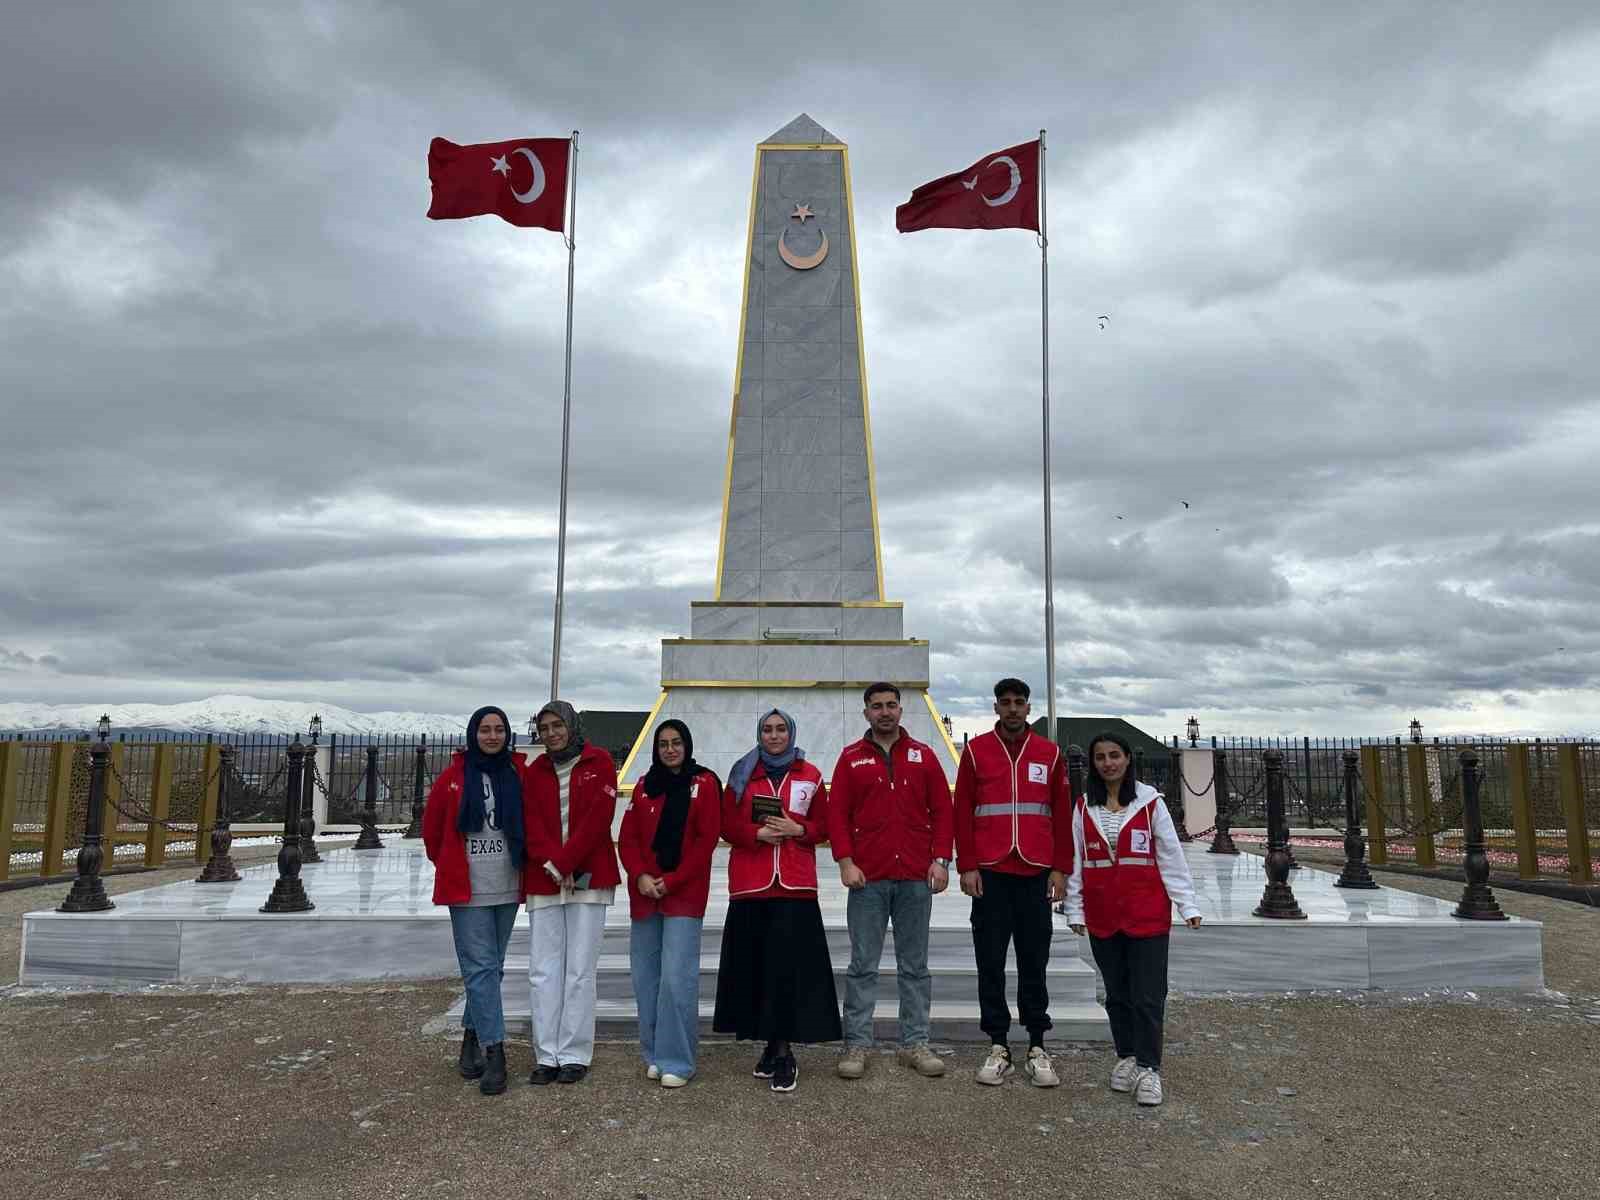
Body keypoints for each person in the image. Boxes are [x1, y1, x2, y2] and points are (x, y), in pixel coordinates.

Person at [1065, 731, 1202, 1108]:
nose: (1108, 763)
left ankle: (1149, 1067)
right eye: (1100, 757)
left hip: (1147, 914)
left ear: (1127, 759)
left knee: (1148, 994)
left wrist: (1186, 904)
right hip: (1104, 915)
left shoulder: (1150, 804)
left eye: (1114, 755)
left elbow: (1171, 856)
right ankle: (1126, 1055)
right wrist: (1075, 909)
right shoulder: (1082, 808)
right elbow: (1076, 863)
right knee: (1117, 994)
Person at [827, 682, 953, 1080]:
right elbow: (837, 816)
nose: (885, 712)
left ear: (901, 710)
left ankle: (914, 1043)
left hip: (916, 877)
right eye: (877, 706)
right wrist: (846, 863)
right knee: (863, 966)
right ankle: (857, 1045)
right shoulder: (850, 759)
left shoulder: (925, 756)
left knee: (914, 966)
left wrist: (941, 860)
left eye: (891, 705)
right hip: (868, 879)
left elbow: (943, 811)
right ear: (866, 713)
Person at [953, 677, 1074, 1087]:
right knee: (989, 961)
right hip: (991, 871)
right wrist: (966, 865)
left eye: (1019, 702)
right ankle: (998, 1044)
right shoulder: (975, 751)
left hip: (1035, 870)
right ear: (995, 708)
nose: (1012, 709)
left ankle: (1037, 1043)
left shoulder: (1049, 752)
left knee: (1033, 960)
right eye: (1005, 703)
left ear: (1027, 707)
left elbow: (1061, 813)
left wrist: (1061, 868)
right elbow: (962, 811)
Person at [712, 708, 841, 1092]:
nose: (773, 736)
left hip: (795, 888)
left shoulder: (811, 775)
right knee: (758, 972)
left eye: (780, 729)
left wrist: (797, 829)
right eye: (767, 730)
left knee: (788, 973)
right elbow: (727, 824)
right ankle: (771, 1046)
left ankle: (784, 1053)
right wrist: (757, 835)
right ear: (759, 734)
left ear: (791, 733)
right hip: (752, 886)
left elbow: (825, 826)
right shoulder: (741, 775)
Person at [421, 705, 531, 1096]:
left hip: (507, 883)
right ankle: (495, 1051)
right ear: (473, 734)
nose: (492, 736)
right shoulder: (453, 776)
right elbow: (432, 831)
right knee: (481, 967)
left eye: (499, 729)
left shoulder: (518, 775)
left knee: (491, 969)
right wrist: (451, 865)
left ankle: (472, 1032)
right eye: (485, 729)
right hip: (468, 889)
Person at [617, 720, 723, 1089]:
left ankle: (677, 1059)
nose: (670, 749)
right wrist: (641, 876)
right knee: (647, 979)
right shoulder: (645, 786)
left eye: (676, 743)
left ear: (687, 745)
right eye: (663, 743)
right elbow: (627, 839)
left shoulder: (705, 784)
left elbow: (705, 840)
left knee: (677, 980)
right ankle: (654, 1052)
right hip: (645, 895)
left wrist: (672, 880)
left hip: (684, 894)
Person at [524, 701, 620, 1084]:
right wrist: (552, 862)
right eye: (544, 727)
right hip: (544, 878)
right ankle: (547, 1054)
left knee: (580, 969)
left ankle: (574, 1053)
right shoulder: (534, 772)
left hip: (588, 876)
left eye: (557, 725)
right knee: (543, 970)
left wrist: (565, 863)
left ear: (571, 725)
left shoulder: (600, 763)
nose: (551, 733)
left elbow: (599, 819)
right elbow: (529, 821)